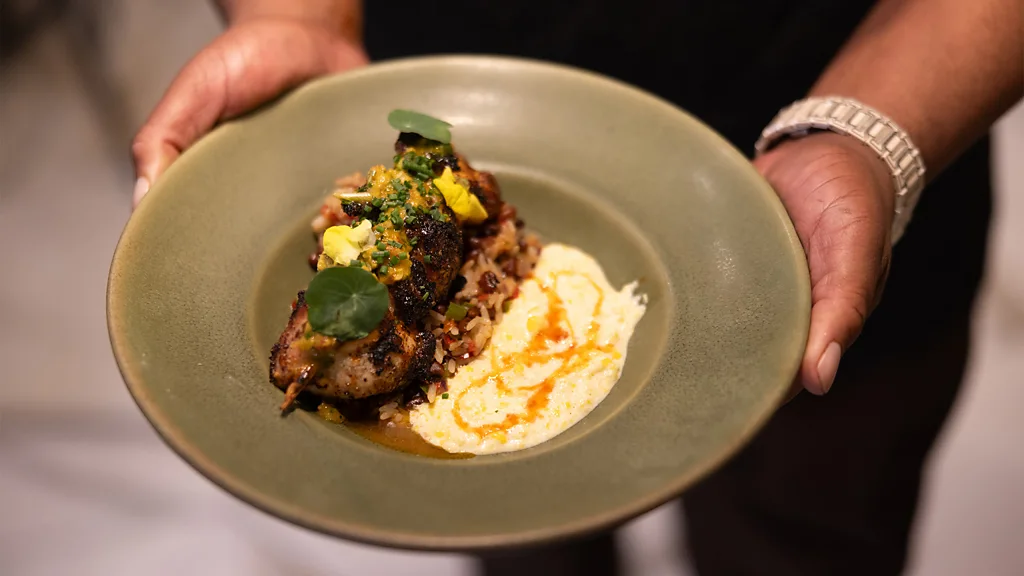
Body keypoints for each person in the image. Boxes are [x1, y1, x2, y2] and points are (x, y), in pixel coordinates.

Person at [131, 1, 1022, 574]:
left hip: (838, 123)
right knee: (528, 546)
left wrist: (867, 132)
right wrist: (299, 17)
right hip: (433, 63)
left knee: (804, 537)